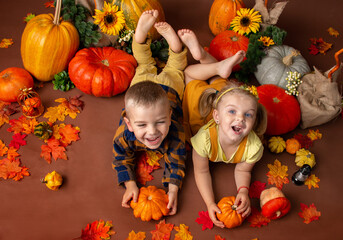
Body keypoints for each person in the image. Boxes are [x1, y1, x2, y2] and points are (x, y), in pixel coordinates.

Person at [179, 30, 268, 227]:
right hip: (202, 106)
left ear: (254, 121)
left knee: (222, 85)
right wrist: (210, 202)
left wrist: (243, 190)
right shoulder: (204, 139)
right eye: (233, 113)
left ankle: (212, 64)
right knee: (189, 75)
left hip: (224, 95)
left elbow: (243, 170)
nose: (241, 118)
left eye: (248, 115)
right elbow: (201, 172)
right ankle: (206, 59)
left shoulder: (253, 147)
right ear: (217, 117)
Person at [112, 9, 189, 216]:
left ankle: (172, 43)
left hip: (169, 90)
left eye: (160, 122)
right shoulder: (124, 135)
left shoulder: (174, 133)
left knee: (175, 68)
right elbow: (121, 158)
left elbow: (177, 160)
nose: (153, 132)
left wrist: (173, 190)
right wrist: (130, 184)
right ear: (129, 124)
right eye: (142, 125)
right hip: (141, 88)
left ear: (170, 117)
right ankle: (141, 34)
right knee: (144, 65)